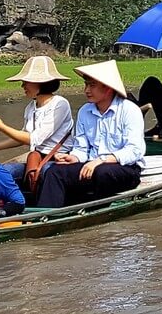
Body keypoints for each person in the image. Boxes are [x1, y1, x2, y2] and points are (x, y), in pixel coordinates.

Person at [33, 60, 146, 208]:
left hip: (125, 169)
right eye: (86, 85)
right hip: (91, 166)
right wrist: (73, 157)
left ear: (108, 88)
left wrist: (101, 160)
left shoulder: (129, 110)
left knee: (102, 172)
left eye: (92, 85)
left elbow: (134, 150)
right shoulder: (85, 111)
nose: (86, 90)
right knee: (55, 171)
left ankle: (95, 210)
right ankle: (46, 214)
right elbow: (81, 148)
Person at [0, 55, 75, 187]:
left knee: (45, 172)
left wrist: (1, 127)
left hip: (58, 158)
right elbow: (22, 137)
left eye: (26, 82)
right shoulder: (31, 107)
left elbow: (34, 139)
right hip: (37, 157)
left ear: (41, 83)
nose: (23, 86)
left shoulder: (59, 104)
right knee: (2, 171)